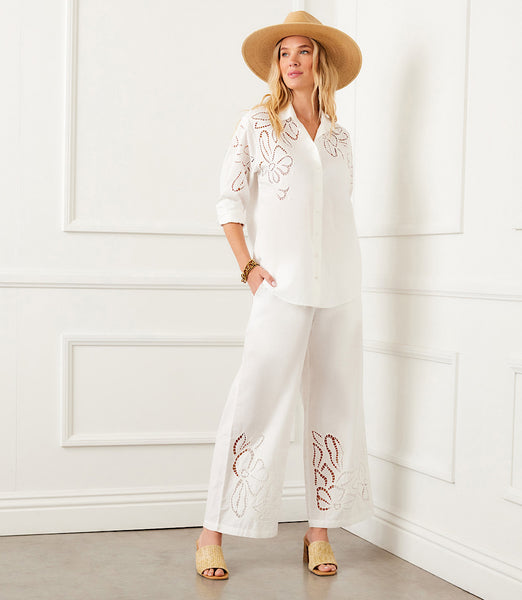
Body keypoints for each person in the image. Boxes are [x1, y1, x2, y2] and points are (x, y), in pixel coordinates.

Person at [195, 10, 375, 580]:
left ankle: (319, 532)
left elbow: (338, 210)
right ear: (276, 65)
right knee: (254, 402)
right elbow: (228, 202)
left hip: (341, 288)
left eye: (303, 51)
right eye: (284, 53)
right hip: (280, 287)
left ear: (320, 62)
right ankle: (211, 531)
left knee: (337, 405)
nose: (292, 61)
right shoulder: (257, 124)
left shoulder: (340, 138)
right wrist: (247, 266)